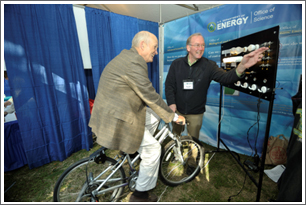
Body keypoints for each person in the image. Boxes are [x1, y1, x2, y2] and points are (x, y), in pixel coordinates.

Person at [88, 31, 185, 202]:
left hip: (114, 111)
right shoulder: (134, 63)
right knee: (154, 149)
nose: (156, 51)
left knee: (154, 114)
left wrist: (163, 112)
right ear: (143, 45)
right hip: (119, 118)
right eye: (154, 47)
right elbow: (150, 95)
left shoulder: (127, 57)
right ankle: (140, 196)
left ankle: (133, 150)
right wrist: (173, 117)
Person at [165, 32, 268, 140]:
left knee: (193, 142)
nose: (201, 48)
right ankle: (175, 155)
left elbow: (226, 78)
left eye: (203, 45)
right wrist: (172, 104)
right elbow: (169, 85)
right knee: (176, 137)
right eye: (197, 45)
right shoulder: (176, 64)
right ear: (188, 48)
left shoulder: (209, 65)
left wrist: (242, 66)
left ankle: (191, 157)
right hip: (178, 111)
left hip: (196, 113)